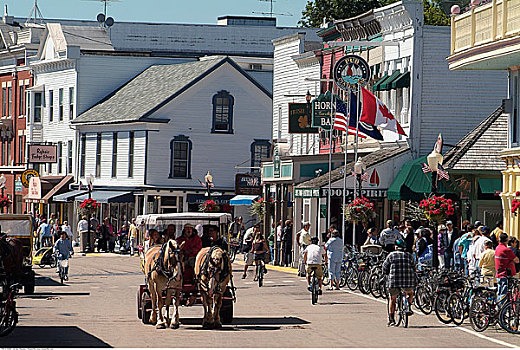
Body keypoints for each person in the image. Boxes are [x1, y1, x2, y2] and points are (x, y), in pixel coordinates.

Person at [382, 239, 416, 326]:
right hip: (407, 281)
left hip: (394, 281)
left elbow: (385, 267)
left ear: (396, 247)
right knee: (410, 293)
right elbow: (414, 267)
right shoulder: (409, 256)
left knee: (392, 299)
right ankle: (408, 306)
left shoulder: (391, 255)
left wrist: (386, 274)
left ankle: (391, 318)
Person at [495, 233, 519, 304]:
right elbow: (517, 260)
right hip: (505, 274)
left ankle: (498, 309)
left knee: (499, 293)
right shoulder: (507, 250)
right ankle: (502, 312)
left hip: (499, 273)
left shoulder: (497, 248)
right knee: (503, 295)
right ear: (506, 240)